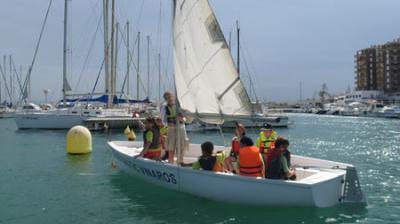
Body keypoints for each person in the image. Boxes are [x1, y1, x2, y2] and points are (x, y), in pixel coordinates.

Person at [160, 91, 188, 164]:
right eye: (168, 98)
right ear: (166, 99)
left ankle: (180, 163)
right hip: (171, 129)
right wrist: (168, 124)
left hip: (181, 128)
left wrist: (183, 119)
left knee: (181, 148)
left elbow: (185, 117)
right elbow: (163, 121)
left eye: (171, 97)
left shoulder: (179, 105)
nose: (170, 99)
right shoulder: (164, 107)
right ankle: (170, 163)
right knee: (171, 148)